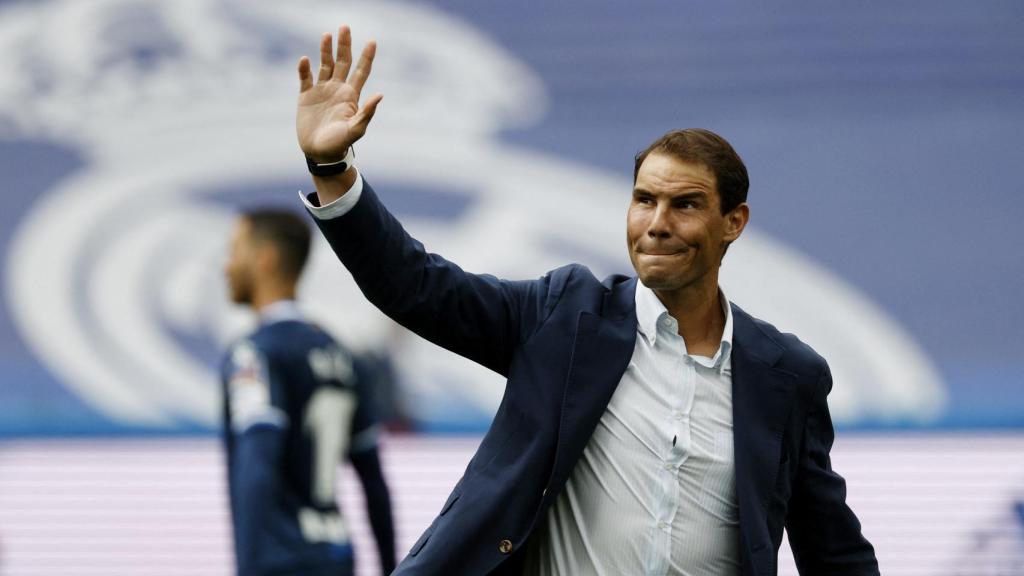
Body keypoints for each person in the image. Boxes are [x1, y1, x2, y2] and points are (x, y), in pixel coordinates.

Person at [293, 25, 880, 576]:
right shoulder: (564, 316)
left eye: (685, 205)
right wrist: (332, 167)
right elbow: (415, 285)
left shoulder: (787, 377)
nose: (657, 224)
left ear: (734, 222)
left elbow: (835, 552)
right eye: (644, 200)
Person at [221, 208, 397, 576]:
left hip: (279, 561)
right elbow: (374, 484)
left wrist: (249, 564)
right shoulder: (341, 353)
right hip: (335, 556)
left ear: (265, 259)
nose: (227, 266)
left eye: (235, 251)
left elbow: (258, 466)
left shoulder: (254, 354)